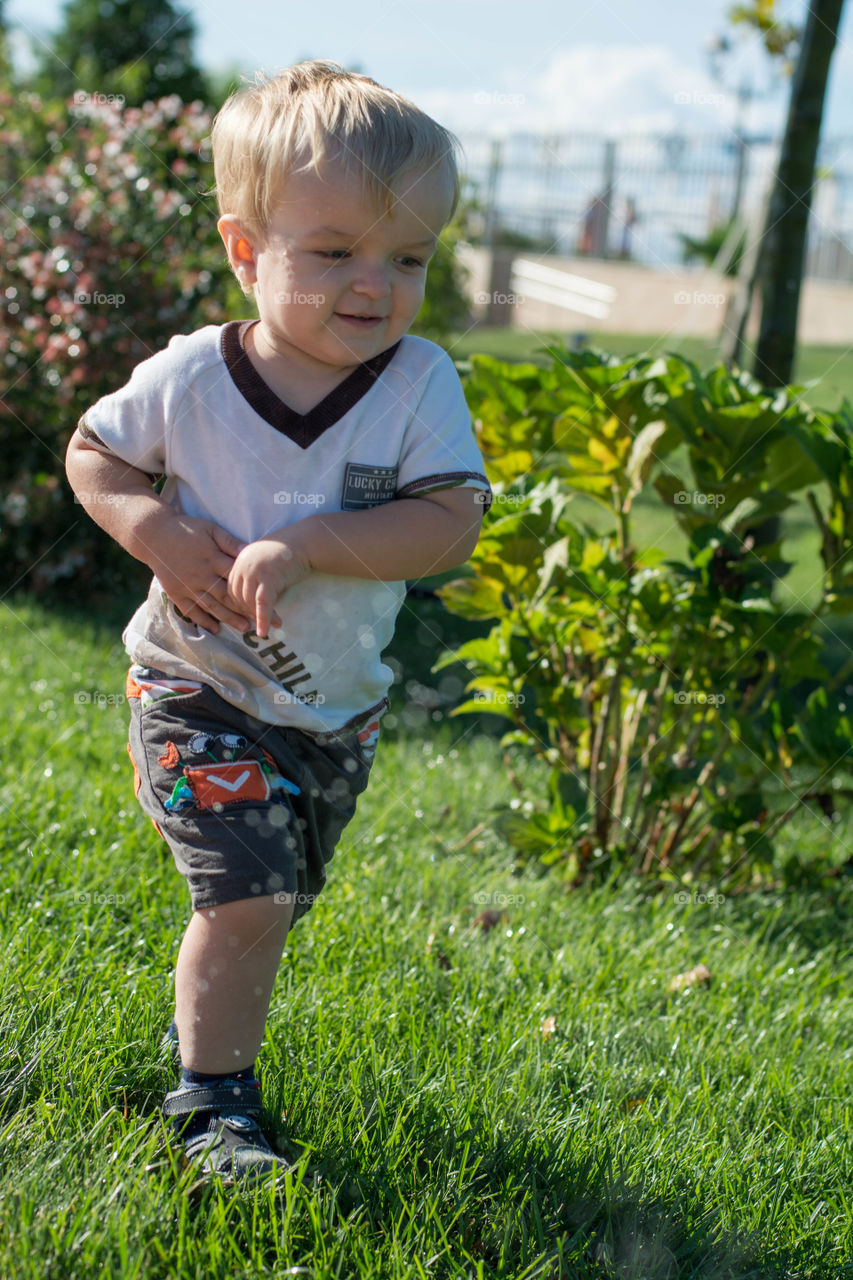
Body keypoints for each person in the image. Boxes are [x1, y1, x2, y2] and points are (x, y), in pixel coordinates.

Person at [65, 60, 491, 1185]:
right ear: (246, 250)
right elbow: (95, 454)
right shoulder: (193, 377)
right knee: (245, 891)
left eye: (408, 257)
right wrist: (152, 527)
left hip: (329, 710)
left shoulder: (416, 384)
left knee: (276, 901)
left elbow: (451, 521)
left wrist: (308, 547)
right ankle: (214, 1106)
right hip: (193, 680)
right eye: (336, 251)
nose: (376, 286)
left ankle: (206, 1026)